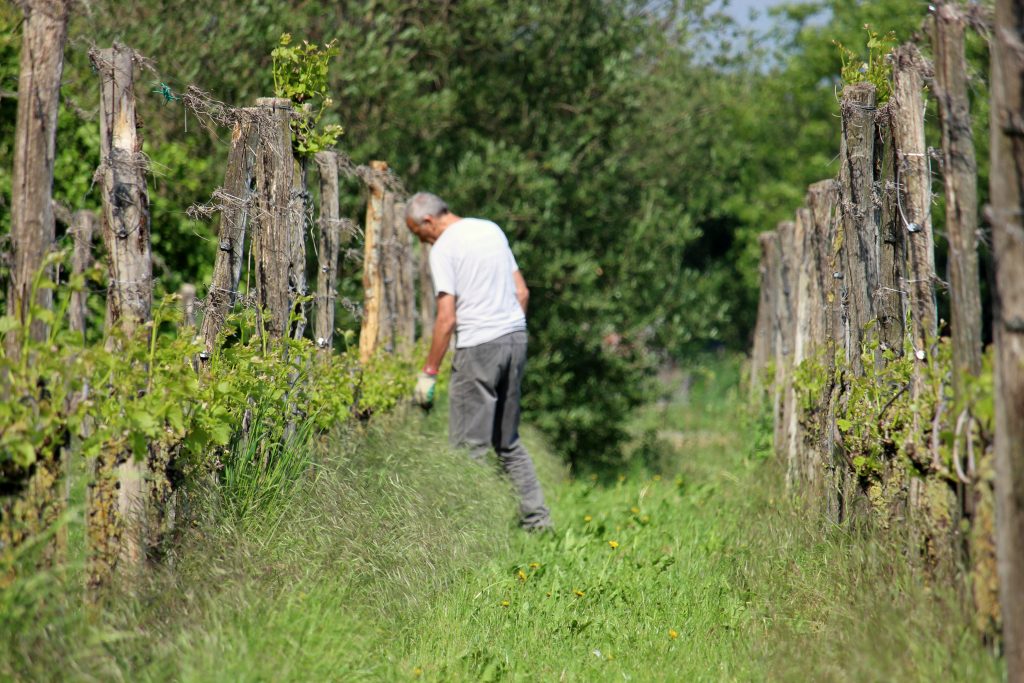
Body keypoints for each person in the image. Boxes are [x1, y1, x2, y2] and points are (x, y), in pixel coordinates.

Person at [405, 192, 552, 532]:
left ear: (429, 222)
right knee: (507, 441)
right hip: (515, 339)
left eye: (418, 234)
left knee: (468, 447)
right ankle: (538, 523)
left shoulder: (443, 248)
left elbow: (446, 319)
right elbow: (523, 292)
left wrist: (429, 372)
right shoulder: (491, 230)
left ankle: (465, 532)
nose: (421, 242)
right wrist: (506, 330)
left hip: (478, 348)